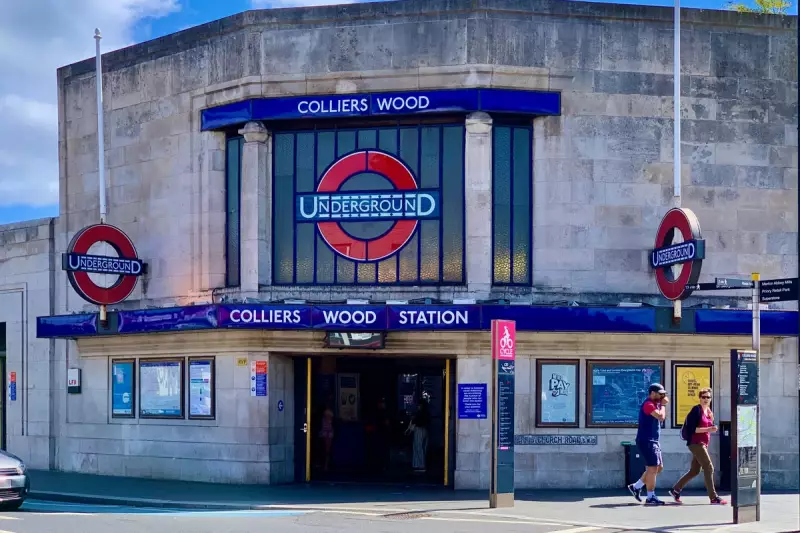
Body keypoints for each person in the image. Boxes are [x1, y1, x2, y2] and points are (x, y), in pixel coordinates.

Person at [669, 387, 727, 505]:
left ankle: (675, 490)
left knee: (695, 470)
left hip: (703, 443)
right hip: (696, 443)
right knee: (709, 467)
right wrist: (709, 428)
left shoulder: (709, 412)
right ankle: (713, 497)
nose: (706, 399)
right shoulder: (696, 410)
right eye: (703, 397)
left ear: (711, 399)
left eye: (708, 397)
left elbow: (709, 427)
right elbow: (692, 429)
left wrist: (711, 422)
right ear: (699, 398)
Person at [627, 383, 669, 505]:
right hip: (647, 440)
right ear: (652, 393)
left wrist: (661, 404)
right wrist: (664, 404)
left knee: (658, 467)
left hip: (653, 440)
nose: (662, 396)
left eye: (663, 394)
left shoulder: (656, 404)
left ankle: (636, 486)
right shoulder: (648, 404)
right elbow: (661, 417)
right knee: (652, 468)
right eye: (660, 393)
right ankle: (650, 496)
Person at [409, 395, 430, 472]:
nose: (418, 406)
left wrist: (413, 419)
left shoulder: (420, 413)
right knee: (423, 448)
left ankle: (420, 466)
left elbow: (418, 422)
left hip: (419, 430)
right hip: (425, 430)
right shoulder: (426, 413)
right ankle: (420, 465)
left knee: (418, 447)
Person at [319, 397, 335, 472]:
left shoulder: (325, 413)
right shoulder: (328, 412)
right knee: (326, 450)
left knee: (326, 449)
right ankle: (325, 465)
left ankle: (325, 465)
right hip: (327, 431)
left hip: (326, 431)